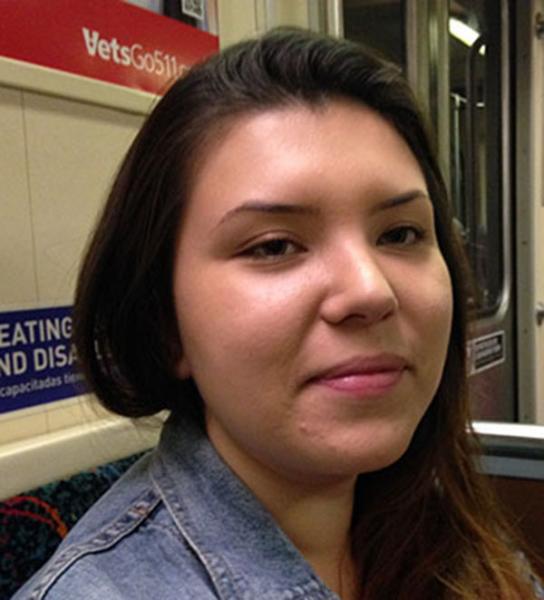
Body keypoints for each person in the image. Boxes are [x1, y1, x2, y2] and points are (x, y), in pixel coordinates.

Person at [13, 28, 542, 599]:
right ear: (166, 326)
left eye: (401, 233)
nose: (371, 291)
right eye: (273, 246)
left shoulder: (441, 527)